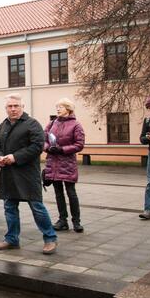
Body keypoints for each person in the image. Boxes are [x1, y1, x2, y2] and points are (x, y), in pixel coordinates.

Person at [0, 93, 57, 254]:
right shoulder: (3, 125)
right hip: (8, 174)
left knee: (37, 207)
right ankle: (12, 239)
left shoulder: (32, 124)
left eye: (16, 106)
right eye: (10, 106)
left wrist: (15, 157)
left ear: (22, 107)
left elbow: (37, 146)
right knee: (10, 207)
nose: (13, 109)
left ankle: (50, 238)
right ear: (6, 108)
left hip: (27, 174)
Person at [44, 98, 86, 233]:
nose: (58, 109)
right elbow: (42, 139)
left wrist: (62, 149)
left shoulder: (76, 125)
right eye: (57, 107)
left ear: (68, 109)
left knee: (71, 193)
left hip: (67, 163)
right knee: (58, 193)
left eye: (60, 107)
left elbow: (79, 145)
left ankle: (76, 221)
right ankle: (62, 220)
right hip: (53, 162)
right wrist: (48, 148)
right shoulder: (51, 123)